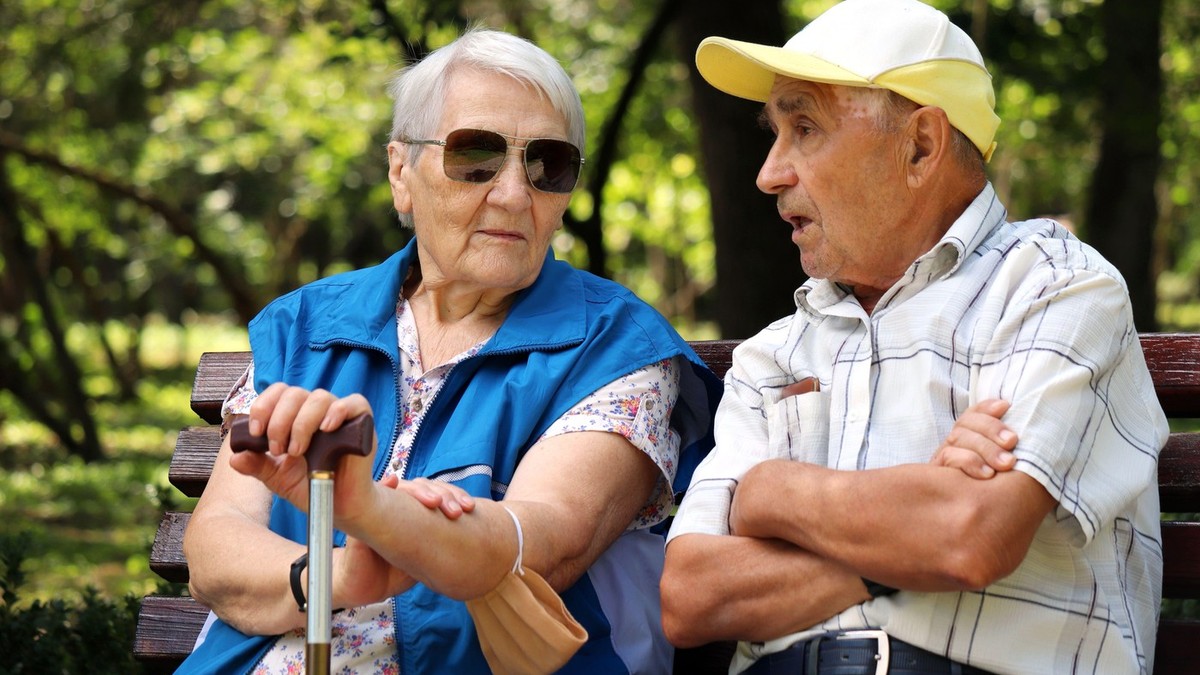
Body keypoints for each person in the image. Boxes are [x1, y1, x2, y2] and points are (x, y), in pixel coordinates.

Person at [177, 27, 721, 674]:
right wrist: (342, 574)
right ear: (400, 172)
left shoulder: (619, 348)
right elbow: (216, 546)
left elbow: (541, 542)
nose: (514, 194)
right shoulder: (306, 327)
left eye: (548, 164)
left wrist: (367, 509)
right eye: (475, 156)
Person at [660, 1, 1169, 674]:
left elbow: (971, 535)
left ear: (921, 145)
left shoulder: (1054, 285)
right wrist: (911, 530)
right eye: (775, 134)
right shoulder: (773, 355)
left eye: (804, 128)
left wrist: (773, 491)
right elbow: (692, 596)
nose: (769, 173)